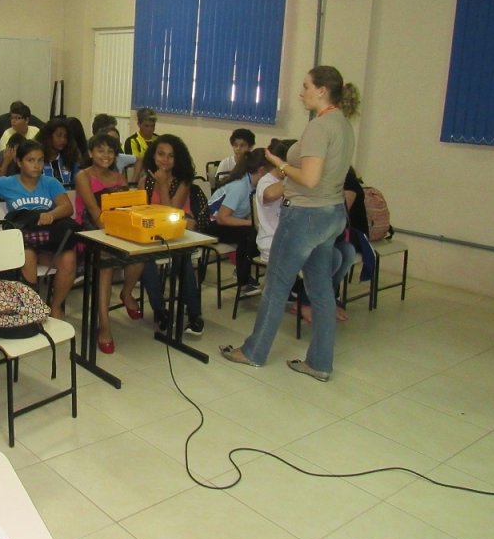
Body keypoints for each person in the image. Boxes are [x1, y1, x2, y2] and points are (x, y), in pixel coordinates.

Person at [220, 66, 358, 382]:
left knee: (276, 284)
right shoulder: (343, 124)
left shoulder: (319, 127)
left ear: (322, 90)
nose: (301, 91)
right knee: (321, 288)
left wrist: (280, 164)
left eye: (306, 86)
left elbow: (308, 179)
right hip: (331, 213)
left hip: (306, 214)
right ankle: (320, 363)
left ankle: (253, 351)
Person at [0, 140, 77, 320]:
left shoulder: (50, 183)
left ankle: (55, 306)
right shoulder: (6, 183)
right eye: (31, 160)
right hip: (24, 239)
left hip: (48, 238)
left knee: (69, 258)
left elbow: (67, 207)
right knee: (28, 254)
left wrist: (52, 214)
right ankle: (33, 306)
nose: (37, 165)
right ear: (19, 162)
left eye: (40, 160)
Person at [122, 134, 204, 335]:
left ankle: (194, 313)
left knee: (182, 260)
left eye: (170, 156)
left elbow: (171, 212)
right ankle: (160, 311)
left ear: (178, 159)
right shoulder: (145, 180)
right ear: (154, 155)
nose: (165, 160)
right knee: (146, 260)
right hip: (155, 231)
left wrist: (163, 185)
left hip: (181, 230)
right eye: (161, 154)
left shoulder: (183, 181)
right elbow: (143, 212)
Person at [73, 133, 136, 354]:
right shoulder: (83, 176)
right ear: (91, 153)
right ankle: (104, 325)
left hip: (116, 228)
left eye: (110, 151)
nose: (106, 155)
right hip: (91, 231)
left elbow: (127, 208)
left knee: (140, 254)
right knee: (106, 262)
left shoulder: (119, 176)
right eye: (100, 150)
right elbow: (93, 211)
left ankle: (126, 293)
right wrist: (115, 237)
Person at [206, 148, 272, 295]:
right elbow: (223, 218)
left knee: (259, 232)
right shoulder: (240, 186)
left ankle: (246, 269)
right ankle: (243, 280)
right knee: (249, 234)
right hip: (210, 224)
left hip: (228, 222)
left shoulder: (254, 185)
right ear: (261, 170)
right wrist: (253, 223)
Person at [37, 118, 82, 187]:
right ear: (48, 137)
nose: (63, 140)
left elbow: (78, 186)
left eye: (65, 136)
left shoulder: (71, 160)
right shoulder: (37, 160)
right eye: (59, 135)